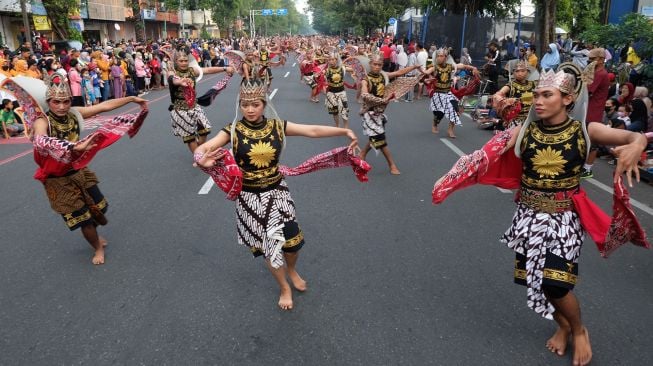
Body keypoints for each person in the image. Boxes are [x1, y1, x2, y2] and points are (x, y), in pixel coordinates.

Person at [434, 65, 649, 366]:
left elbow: (633, 137)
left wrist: (635, 146)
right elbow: (482, 157)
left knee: (557, 283)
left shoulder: (586, 130)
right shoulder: (523, 131)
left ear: (568, 99)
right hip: (528, 217)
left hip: (565, 219)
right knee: (535, 280)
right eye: (536, 94)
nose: (538, 100)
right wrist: (449, 182)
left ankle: (578, 329)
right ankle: (562, 325)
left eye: (547, 95)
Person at [193, 79, 359, 310]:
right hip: (249, 198)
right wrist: (202, 158)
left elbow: (311, 130)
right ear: (239, 106)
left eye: (255, 104)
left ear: (264, 104)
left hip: (277, 191)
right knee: (270, 247)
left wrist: (344, 129)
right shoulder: (232, 131)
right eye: (245, 105)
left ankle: (291, 269)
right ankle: (284, 287)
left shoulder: (277, 126)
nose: (250, 109)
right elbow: (203, 148)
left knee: (293, 243)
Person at [24, 74, 148, 265]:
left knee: (100, 207)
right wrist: (73, 147)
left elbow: (103, 106)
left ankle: (94, 232)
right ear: (49, 102)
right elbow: (40, 140)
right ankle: (97, 246)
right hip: (57, 179)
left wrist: (132, 98)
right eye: (56, 102)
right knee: (83, 219)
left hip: (79, 169)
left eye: (66, 101)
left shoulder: (74, 113)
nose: (62, 106)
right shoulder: (43, 121)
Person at [358, 53, 421, 174]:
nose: (377, 67)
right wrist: (382, 100)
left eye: (379, 65)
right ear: (370, 64)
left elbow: (398, 73)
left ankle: (362, 153)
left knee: (375, 136)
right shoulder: (365, 80)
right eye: (375, 64)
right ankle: (392, 165)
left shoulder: (384, 75)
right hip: (369, 114)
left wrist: (414, 67)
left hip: (379, 114)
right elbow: (365, 95)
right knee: (381, 139)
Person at [167, 45, 235, 153]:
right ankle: (198, 157)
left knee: (205, 130)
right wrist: (180, 81)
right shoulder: (172, 72)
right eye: (181, 61)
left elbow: (207, 69)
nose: (184, 63)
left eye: (185, 60)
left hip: (194, 107)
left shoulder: (192, 70)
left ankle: (199, 151)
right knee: (189, 137)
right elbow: (172, 79)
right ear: (176, 61)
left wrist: (225, 68)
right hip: (180, 111)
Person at [423, 47, 478, 138]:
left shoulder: (450, 66)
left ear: (445, 57)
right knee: (439, 114)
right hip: (438, 94)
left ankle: (450, 129)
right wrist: (424, 74)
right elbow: (426, 72)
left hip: (448, 93)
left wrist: (473, 68)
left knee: (456, 109)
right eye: (438, 56)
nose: (439, 58)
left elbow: (462, 66)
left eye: (441, 56)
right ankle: (435, 124)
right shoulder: (434, 67)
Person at [580, 48, 611, 179]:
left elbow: (588, 90)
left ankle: (587, 169)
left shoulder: (600, 73)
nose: (589, 61)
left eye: (592, 59)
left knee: (591, 141)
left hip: (593, 112)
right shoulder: (597, 72)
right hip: (590, 110)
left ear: (600, 59)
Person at [494, 60, 536, 128]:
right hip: (516, 120)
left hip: (532, 118)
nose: (520, 73)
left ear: (527, 72)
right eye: (517, 71)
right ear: (513, 73)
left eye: (522, 71)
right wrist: (507, 100)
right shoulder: (510, 85)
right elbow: (497, 95)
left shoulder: (534, 84)